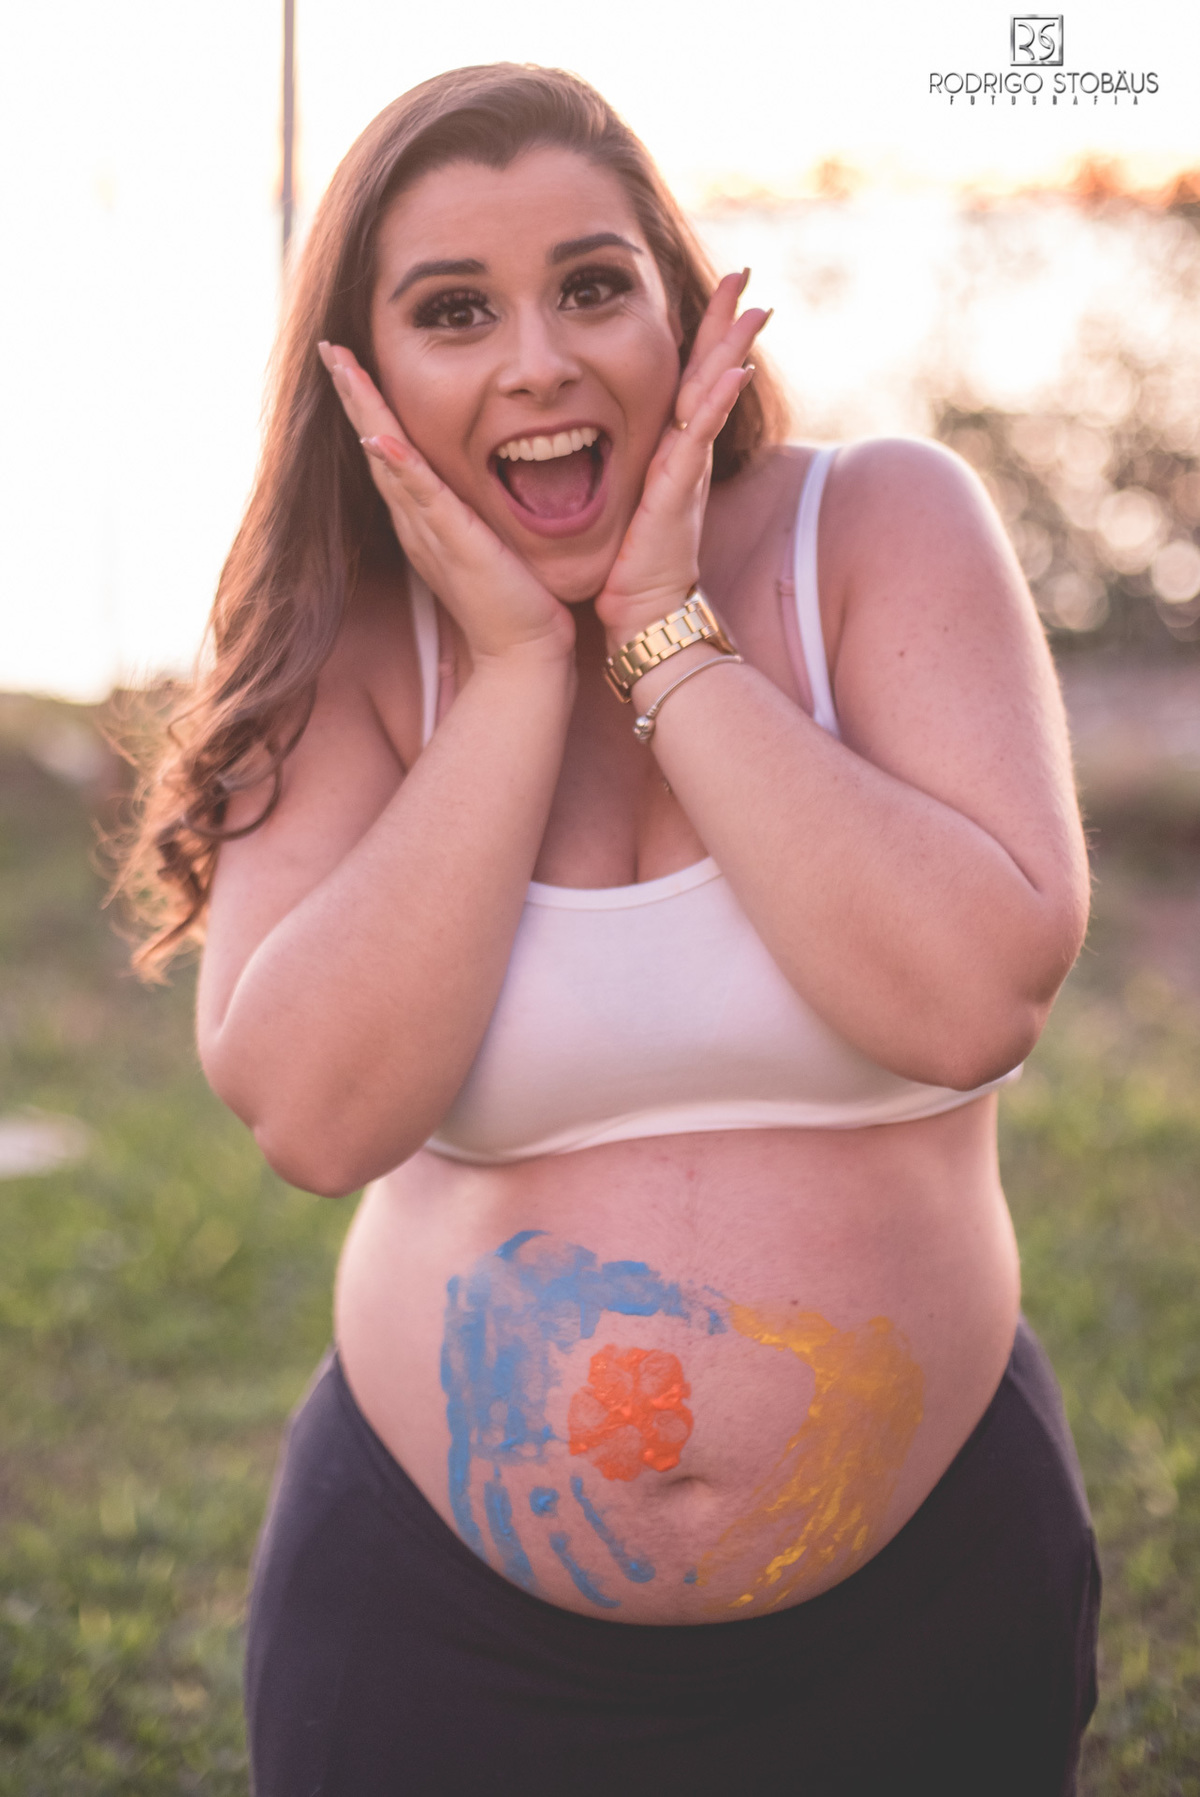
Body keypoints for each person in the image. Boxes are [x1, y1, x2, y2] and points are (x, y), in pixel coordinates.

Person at [123, 62, 1099, 1797]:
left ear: (681, 309)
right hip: (433, 1644)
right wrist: (514, 672)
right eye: (453, 310)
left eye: (591, 286)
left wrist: (660, 628)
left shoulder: (876, 528)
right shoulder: (354, 645)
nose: (539, 362)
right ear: (363, 374)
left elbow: (972, 1001)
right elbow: (317, 1115)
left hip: (926, 1615)